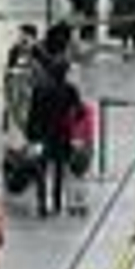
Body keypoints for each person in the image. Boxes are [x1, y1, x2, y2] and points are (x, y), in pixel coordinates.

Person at [26, 64, 81, 218]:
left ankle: (42, 204)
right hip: (61, 135)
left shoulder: (39, 89)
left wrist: (30, 134)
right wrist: (71, 120)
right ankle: (57, 203)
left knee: (40, 169)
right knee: (59, 169)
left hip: (41, 135)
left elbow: (32, 113)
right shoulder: (70, 90)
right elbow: (80, 112)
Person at [66, 94, 97, 217]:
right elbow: (90, 131)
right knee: (83, 178)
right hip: (84, 145)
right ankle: (83, 203)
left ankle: (73, 204)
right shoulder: (89, 111)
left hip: (73, 146)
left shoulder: (70, 112)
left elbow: (67, 129)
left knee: (72, 178)